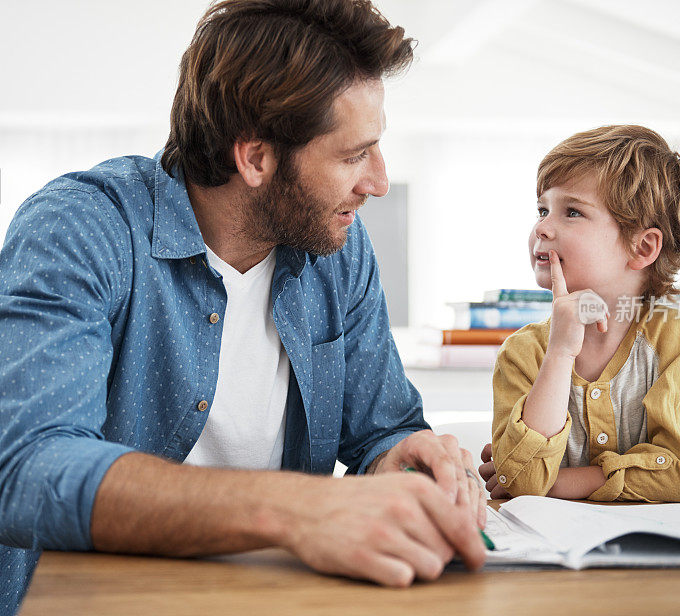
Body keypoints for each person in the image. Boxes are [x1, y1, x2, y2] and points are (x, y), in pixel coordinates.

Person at [0, 1, 487, 612]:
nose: (379, 182)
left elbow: (380, 430)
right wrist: (298, 508)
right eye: (353, 155)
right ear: (255, 158)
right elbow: (27, 470)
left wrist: (401, 455)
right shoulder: (81, 227)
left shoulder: (337, 247)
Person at [478, 125, 680, 502]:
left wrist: (556, 483)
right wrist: (559, 353)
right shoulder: (523, 353)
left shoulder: (673, 338)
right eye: (542, 209)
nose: (541, 227)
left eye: (571, 212)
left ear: (643, 247)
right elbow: (520, 482)